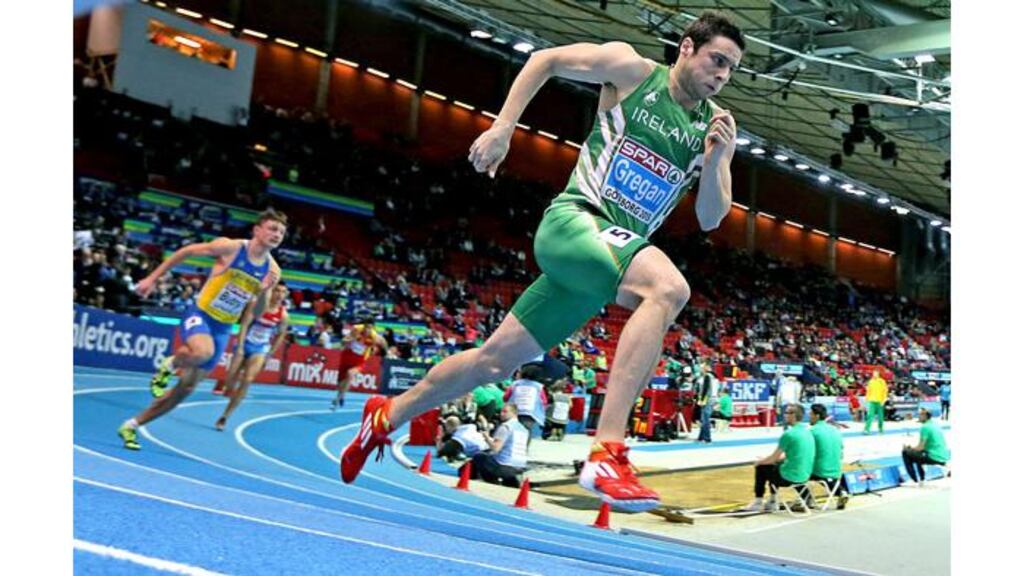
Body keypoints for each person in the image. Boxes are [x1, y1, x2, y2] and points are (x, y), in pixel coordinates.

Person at [340, 12, 746, 513]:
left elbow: (710, 218)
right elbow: (545, 60)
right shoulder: (632, 71)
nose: (723, 74)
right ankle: (608, 451)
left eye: (731, 68)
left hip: (599, 266)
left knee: (492, 362)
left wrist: (721, 159)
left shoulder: (715, 127)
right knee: (667, 289)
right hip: (576, 224)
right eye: (717, 60)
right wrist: (503, 128)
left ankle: (385, 416)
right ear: (686, 48)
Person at [117, 209, 286, 450]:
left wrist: (262, 291)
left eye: (281, 232)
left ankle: (131, 425)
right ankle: (171, 363)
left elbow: (258, 312)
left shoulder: (273, 271)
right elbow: (185, 252)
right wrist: (152, 278)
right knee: (201, 352)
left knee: (184, 390)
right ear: (257, 230)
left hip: (224, 327)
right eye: (272, 228)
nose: (277, 234)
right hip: (201, 315)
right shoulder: (231, 248)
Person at [215, 282, 291, 430]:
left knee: (247, 380)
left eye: (283, 292)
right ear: (271, 292)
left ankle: (225, 416)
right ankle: (226, 385)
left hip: (261, 348)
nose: (279, 295)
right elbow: (244, 324)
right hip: (245, 342)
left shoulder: (283, 315)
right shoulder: (257, 305)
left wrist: (270, 354)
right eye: (277, 291)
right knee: (230, 379)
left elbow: (281, 335)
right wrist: (241, 346)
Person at [743, 403, 815, 512]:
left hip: (790, 477)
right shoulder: (807, 432)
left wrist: (760, 461)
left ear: (793, 415)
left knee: (762, 467)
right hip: (805, 474)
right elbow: (791, 454)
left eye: (786, 413)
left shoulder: (789, 434)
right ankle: (773, 500)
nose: (784, 415)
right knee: (774, 466)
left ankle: (759, 501)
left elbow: (773, 458)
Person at [332, 318, 388, 409]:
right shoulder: (356, 330)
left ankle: (342, 396)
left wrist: (385, 352)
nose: (367, 331)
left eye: (370, 328)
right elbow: (343, 341)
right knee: (340, 383)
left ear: (373, 328)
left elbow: (383, 343)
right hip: (347, 356)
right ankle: (339, 395)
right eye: (366, 328)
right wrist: (349, 340)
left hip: (359, 360)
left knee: (350, 374)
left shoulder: (374, 336)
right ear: (363, 326)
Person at [471, 403, 530, 487]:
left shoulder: (505, 427)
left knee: (479, 456)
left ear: (514, 413)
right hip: (520, 465)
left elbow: (496, 448)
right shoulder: (524, 430)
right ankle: (510, 481)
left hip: (505, 465)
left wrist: (487, 438)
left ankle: (492, 482)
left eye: (505, 412)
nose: (501, 414)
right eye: (501, 411)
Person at [803, 403, 848, 510]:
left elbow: (805, 453)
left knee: (797, 472)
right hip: (837, 470)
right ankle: (841, 491)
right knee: (827, 476)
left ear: (817, 416)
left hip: (820, 471)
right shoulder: (835, 430)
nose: (809, 416)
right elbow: (841, 451)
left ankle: (806, 499)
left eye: (810, 414)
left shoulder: (811, 431)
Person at [902, 408, 949, 486]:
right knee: (916, 454)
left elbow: (920, 447)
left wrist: (908, 448)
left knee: (905, 452)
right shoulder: (934, 425)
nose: (918, 417)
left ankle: (914, 480)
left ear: (925, 416)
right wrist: (913, 449)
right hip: (943, 455)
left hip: (934, 456)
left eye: (920, 415)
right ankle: (922, 479)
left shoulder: (925, 427)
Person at [504, 363, 549, 445]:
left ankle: (511, 446)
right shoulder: (539, 386)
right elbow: (544, 401)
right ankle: (523, 449)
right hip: (530, 414)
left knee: (512, 429)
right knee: (526, 431)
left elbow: (506, 396)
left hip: (514, 411)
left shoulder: (515, 384)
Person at [864, 370, 888, 434]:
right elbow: (868, 391)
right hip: (871, 401)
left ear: (878, 374)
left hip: (880, 401)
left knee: (880, 417)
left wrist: (884, 400)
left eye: (876, 373)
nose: (874, 375)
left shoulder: (882, 381)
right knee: (870, 416)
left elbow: (885, 391)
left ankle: (881, 429)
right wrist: (866, 399)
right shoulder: (870, 382)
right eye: (873, 373)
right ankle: (867, 429)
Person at [695, 366, 715, 443]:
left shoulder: (707, 377)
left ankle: (707, 437)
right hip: (707, 399)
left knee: (705, 419)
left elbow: (705, 389)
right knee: (703, 418)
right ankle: (701, 436)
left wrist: (702, 400)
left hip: (706, 400)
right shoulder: (708, 377)